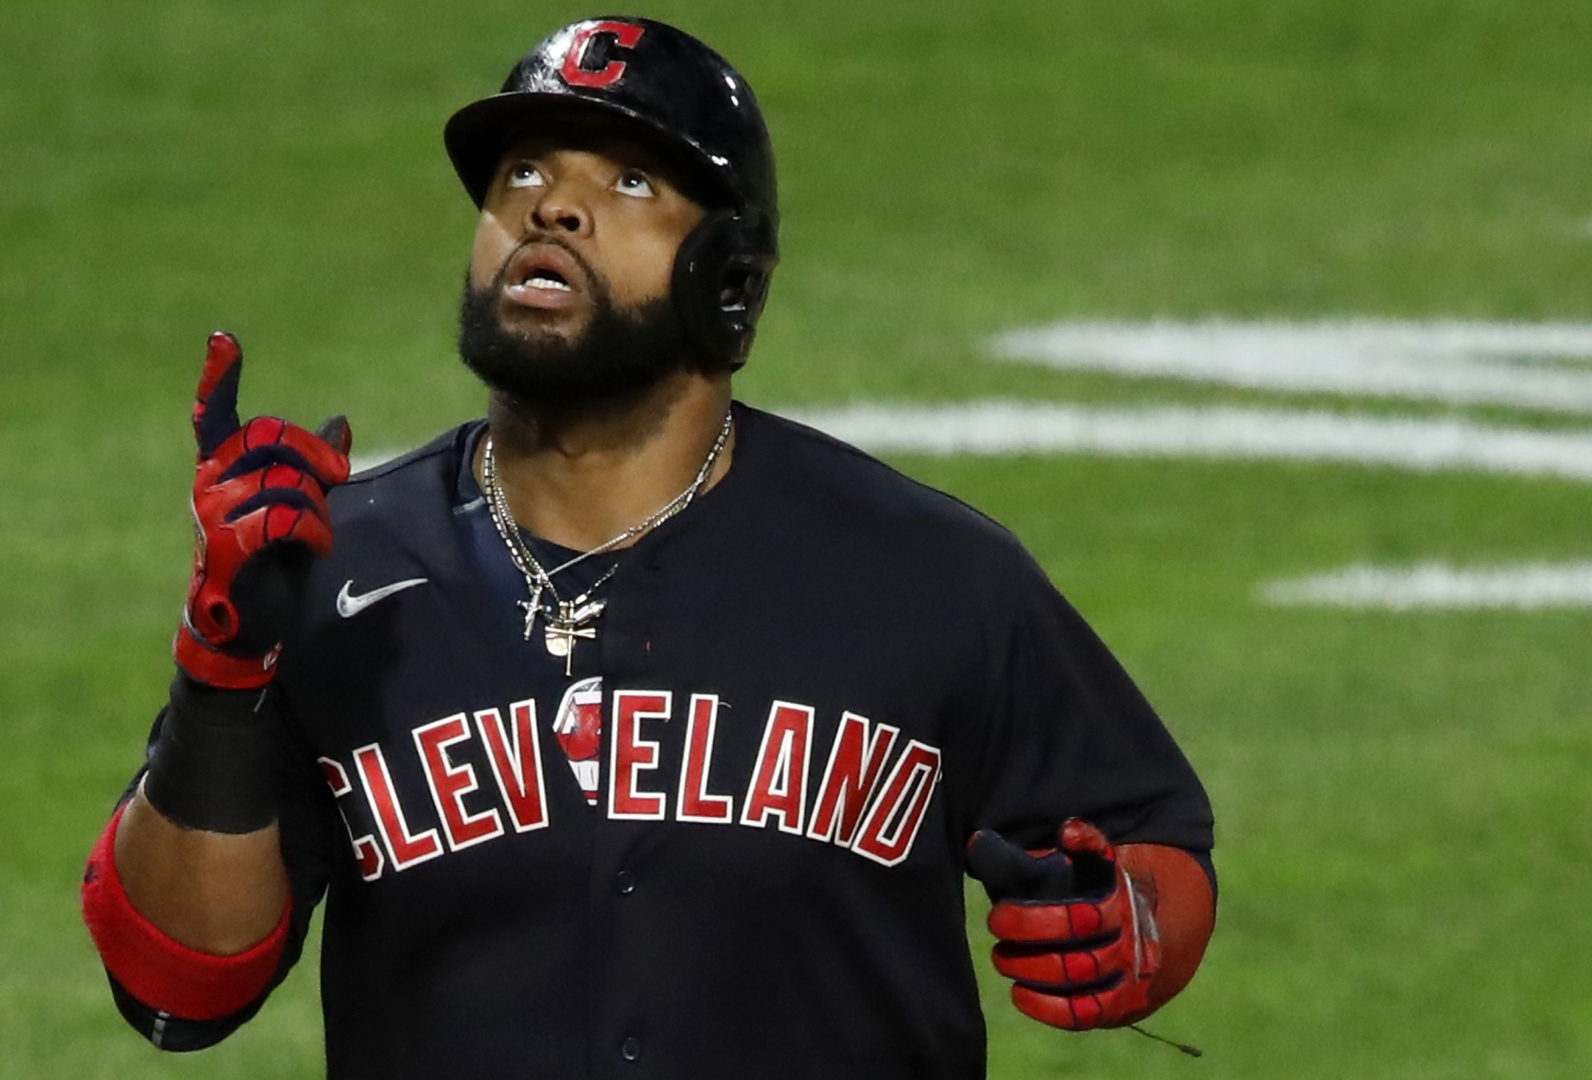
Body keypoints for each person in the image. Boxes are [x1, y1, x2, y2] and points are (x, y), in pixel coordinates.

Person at [80, 16, 1217, 1078]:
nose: (553, 210)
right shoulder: (336, 571)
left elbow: (1144, 843)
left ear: (731, 277)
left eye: (629, 182)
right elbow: (178, 985)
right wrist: (221, 670)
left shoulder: (927, 573)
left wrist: (1129, 924)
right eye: (523, 174)